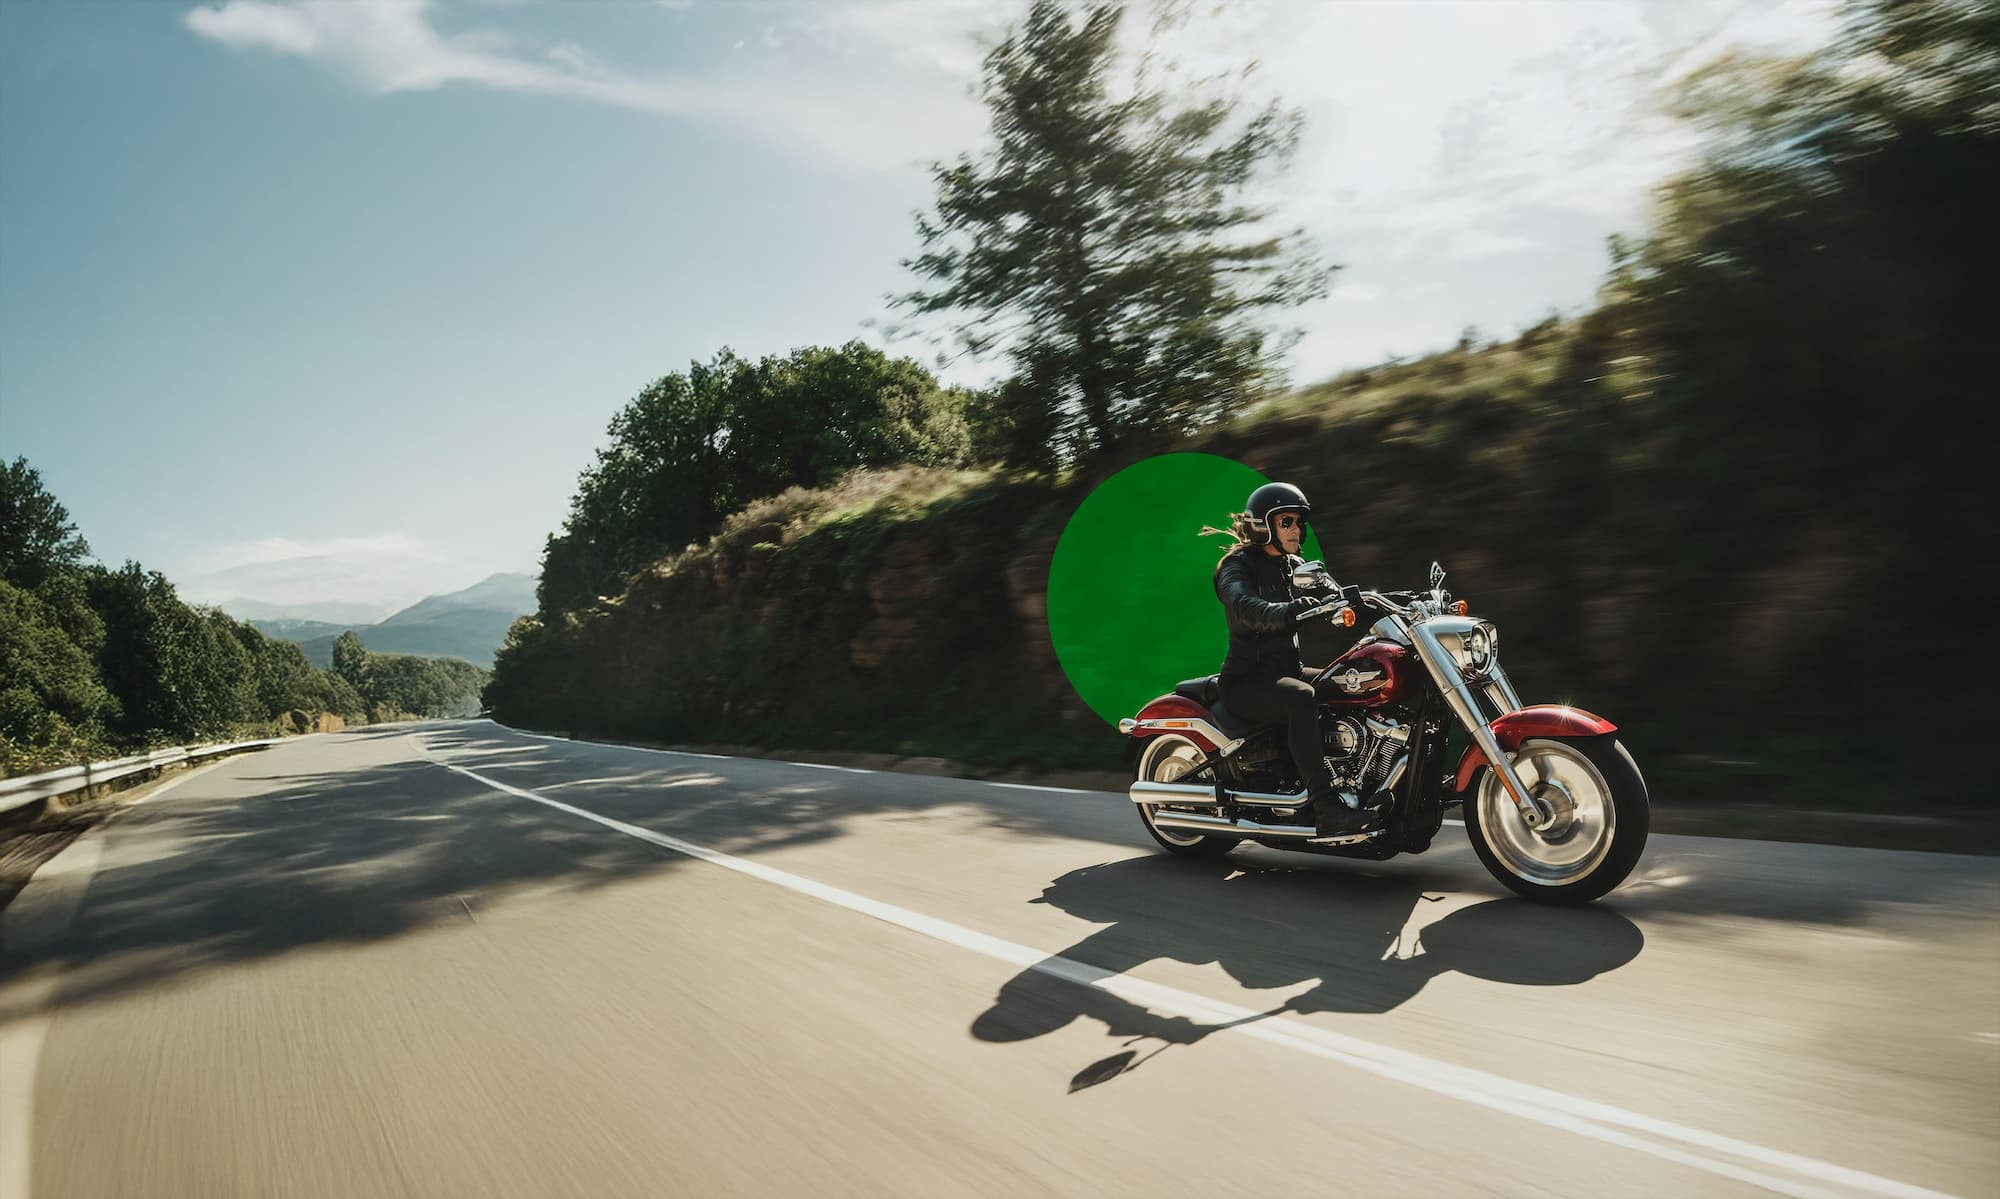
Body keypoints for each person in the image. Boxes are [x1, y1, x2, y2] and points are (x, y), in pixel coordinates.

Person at [1208, 482, 1374, 840]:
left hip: (1288, 671)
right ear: (1263, 526)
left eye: (1299, 522)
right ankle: (1325, 808)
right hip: (1247, 680)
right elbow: (1245, 606)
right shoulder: (1235, 568)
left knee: (1358, 679)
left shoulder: (1295, 565)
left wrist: (1366, 601)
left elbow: (1332, 591)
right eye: (1287, 522)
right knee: (1301, 697)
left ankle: (1361, 783)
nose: (1297, 530)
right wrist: (1289, 611)